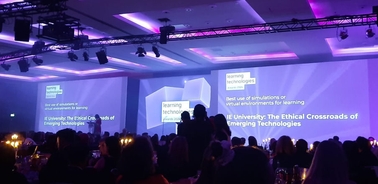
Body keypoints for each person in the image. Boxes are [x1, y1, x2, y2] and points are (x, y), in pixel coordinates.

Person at [180, 104, 213, 170]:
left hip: (190, 155)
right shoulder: (207, 125)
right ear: (204, 113)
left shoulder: (188, 125)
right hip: (204, 156)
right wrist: (206, 117)